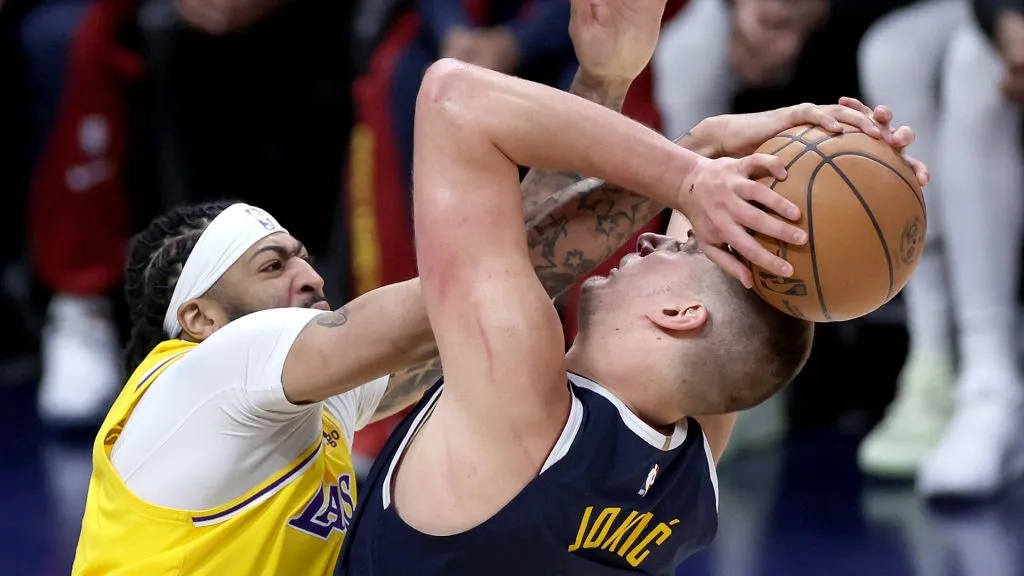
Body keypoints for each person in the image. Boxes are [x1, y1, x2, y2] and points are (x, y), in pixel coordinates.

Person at [334, 2, 928, 575]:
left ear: (681, 313)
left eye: (681, 246)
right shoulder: (690, 475)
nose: (649, 240)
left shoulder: (522, 403)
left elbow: (455, 98)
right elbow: (761, 286)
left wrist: (697, 166)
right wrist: (741, 161)